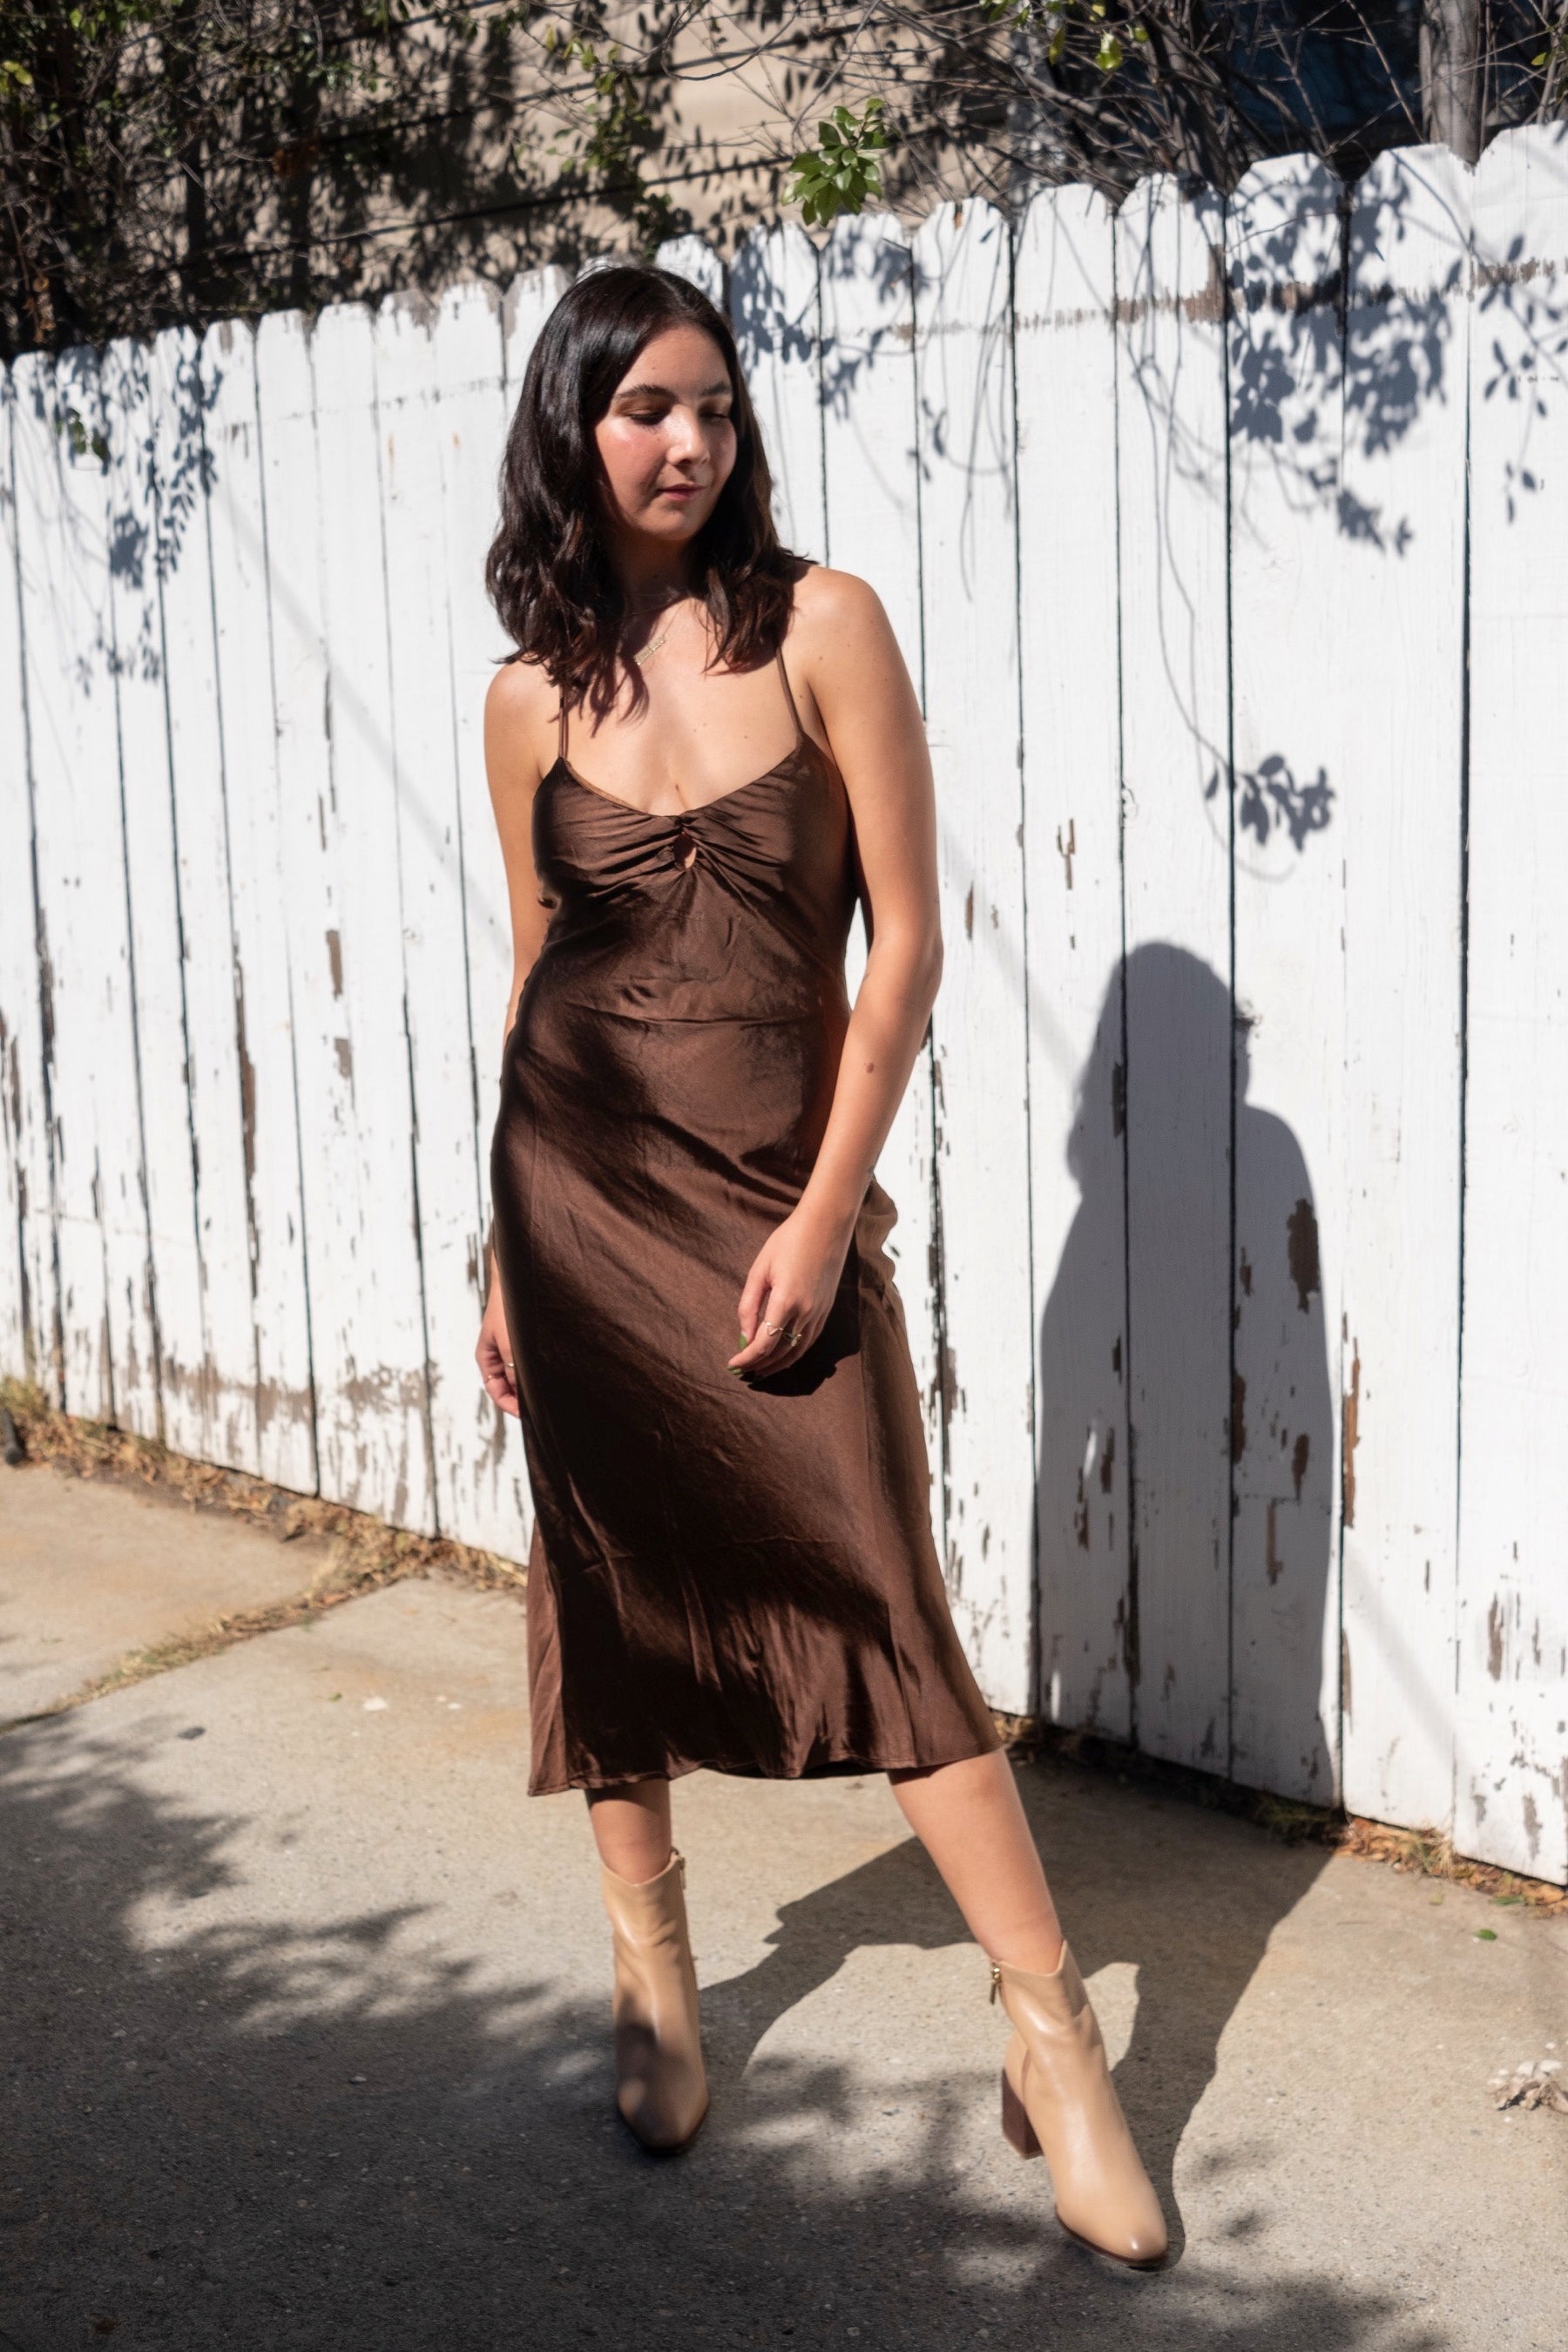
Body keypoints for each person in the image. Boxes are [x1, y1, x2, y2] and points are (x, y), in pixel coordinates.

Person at [475, 262, 1166, 2268]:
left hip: (779, 1196)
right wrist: (500, 1256)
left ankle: (1052, 2038)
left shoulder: (826, 628)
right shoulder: (527, 700)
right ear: (575, 431)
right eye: (647, 410)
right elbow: (532, 982)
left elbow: (910, 947)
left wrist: (823, 1207)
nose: (691, 442)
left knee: (880, 1597)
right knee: (603, 1587)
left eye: (715, 405)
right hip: (580, 1209)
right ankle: (652, 1972)